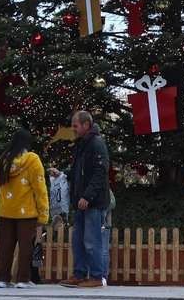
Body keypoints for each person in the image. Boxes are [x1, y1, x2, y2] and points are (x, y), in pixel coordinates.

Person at [51, 111, 111, 289]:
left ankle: (96, 277)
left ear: (86, 125)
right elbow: (77, 169)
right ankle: (79, 274)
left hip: (92, 203)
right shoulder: (81, 144)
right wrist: (62, 174)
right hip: (80, 203)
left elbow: (101, 174)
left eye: (75, 125)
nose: (73, 129)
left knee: (92, 242)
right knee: (78, 241)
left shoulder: (97, 144)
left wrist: (87, 196)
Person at [0, 128, 49, 289]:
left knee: (5, 247)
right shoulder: (32, 160)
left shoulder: (2, 160)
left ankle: (3, 279)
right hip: (26, 212)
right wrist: (43, 214)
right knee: (25, 247)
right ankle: (23, 279)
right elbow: (40, 189)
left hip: (6, 210)